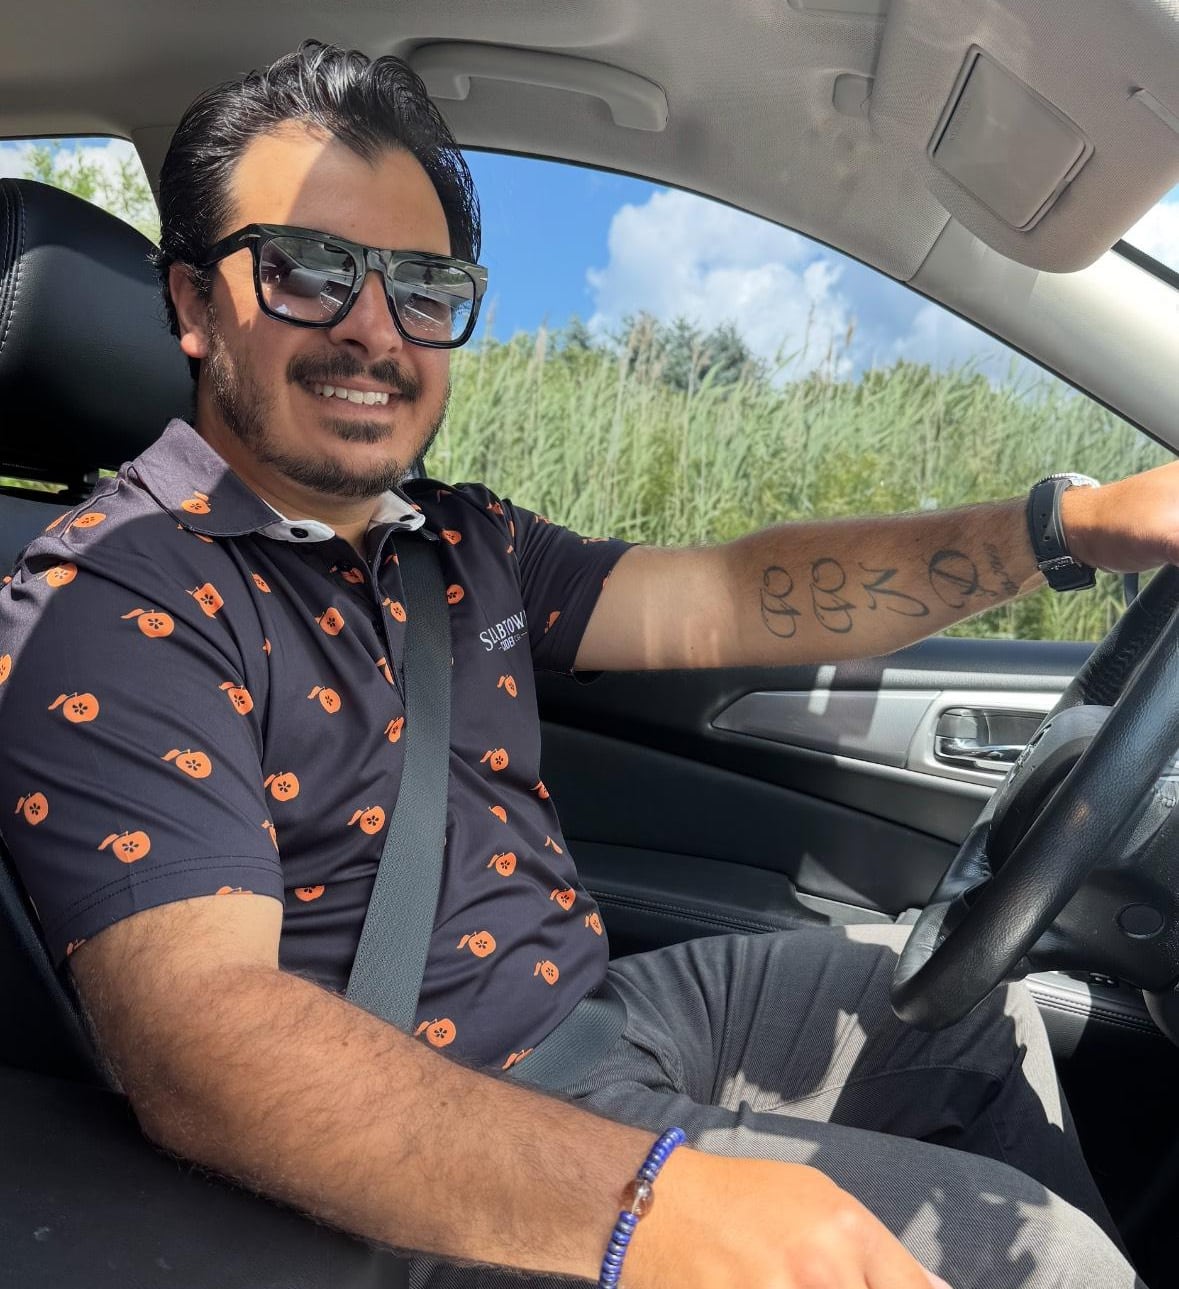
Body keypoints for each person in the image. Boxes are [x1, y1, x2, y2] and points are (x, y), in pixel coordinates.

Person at [0, 39, 1169, 1289]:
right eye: (308, 271)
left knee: (968, 1022)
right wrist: (649, 1206)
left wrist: (1065, 529)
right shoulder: (110, 597)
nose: (372, 331)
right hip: (431, 1128)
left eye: (422, 286)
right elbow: (204, 1037)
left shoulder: (458, 539)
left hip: (604, 1015)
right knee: (1046, 1261)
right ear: (191, 302)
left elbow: (735, 597)